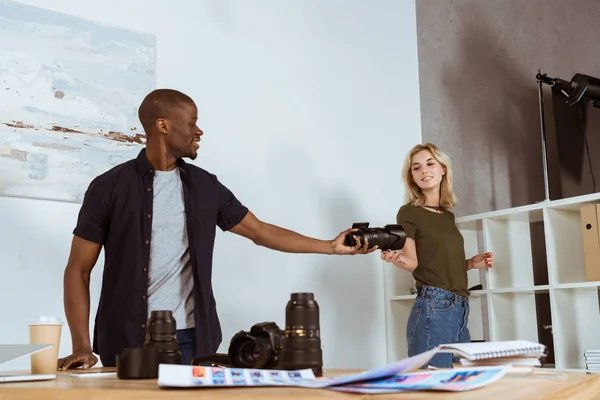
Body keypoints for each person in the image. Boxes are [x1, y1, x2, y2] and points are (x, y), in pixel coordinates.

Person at [56, 88, 376, 370]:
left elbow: (260, 231)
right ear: (163, 125)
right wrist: (81, 346)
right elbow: (78, 270)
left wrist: (330, 246)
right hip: (127, 339)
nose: (200, 131)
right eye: (192, 122)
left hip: (193, 341)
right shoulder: (109, 187)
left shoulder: (205, 187)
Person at [380, 143, 493, 368]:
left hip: (460, 306)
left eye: (430, 164)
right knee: (433, 386)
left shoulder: (447, 216)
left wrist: (470, 263)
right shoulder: (409, 212)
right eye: (416, 168)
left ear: (443, 169)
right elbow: (412, 261)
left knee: (460, 385)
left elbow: (439, 261)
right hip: (434, 306)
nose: (424, 171)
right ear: (411, 177)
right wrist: (396, 259)